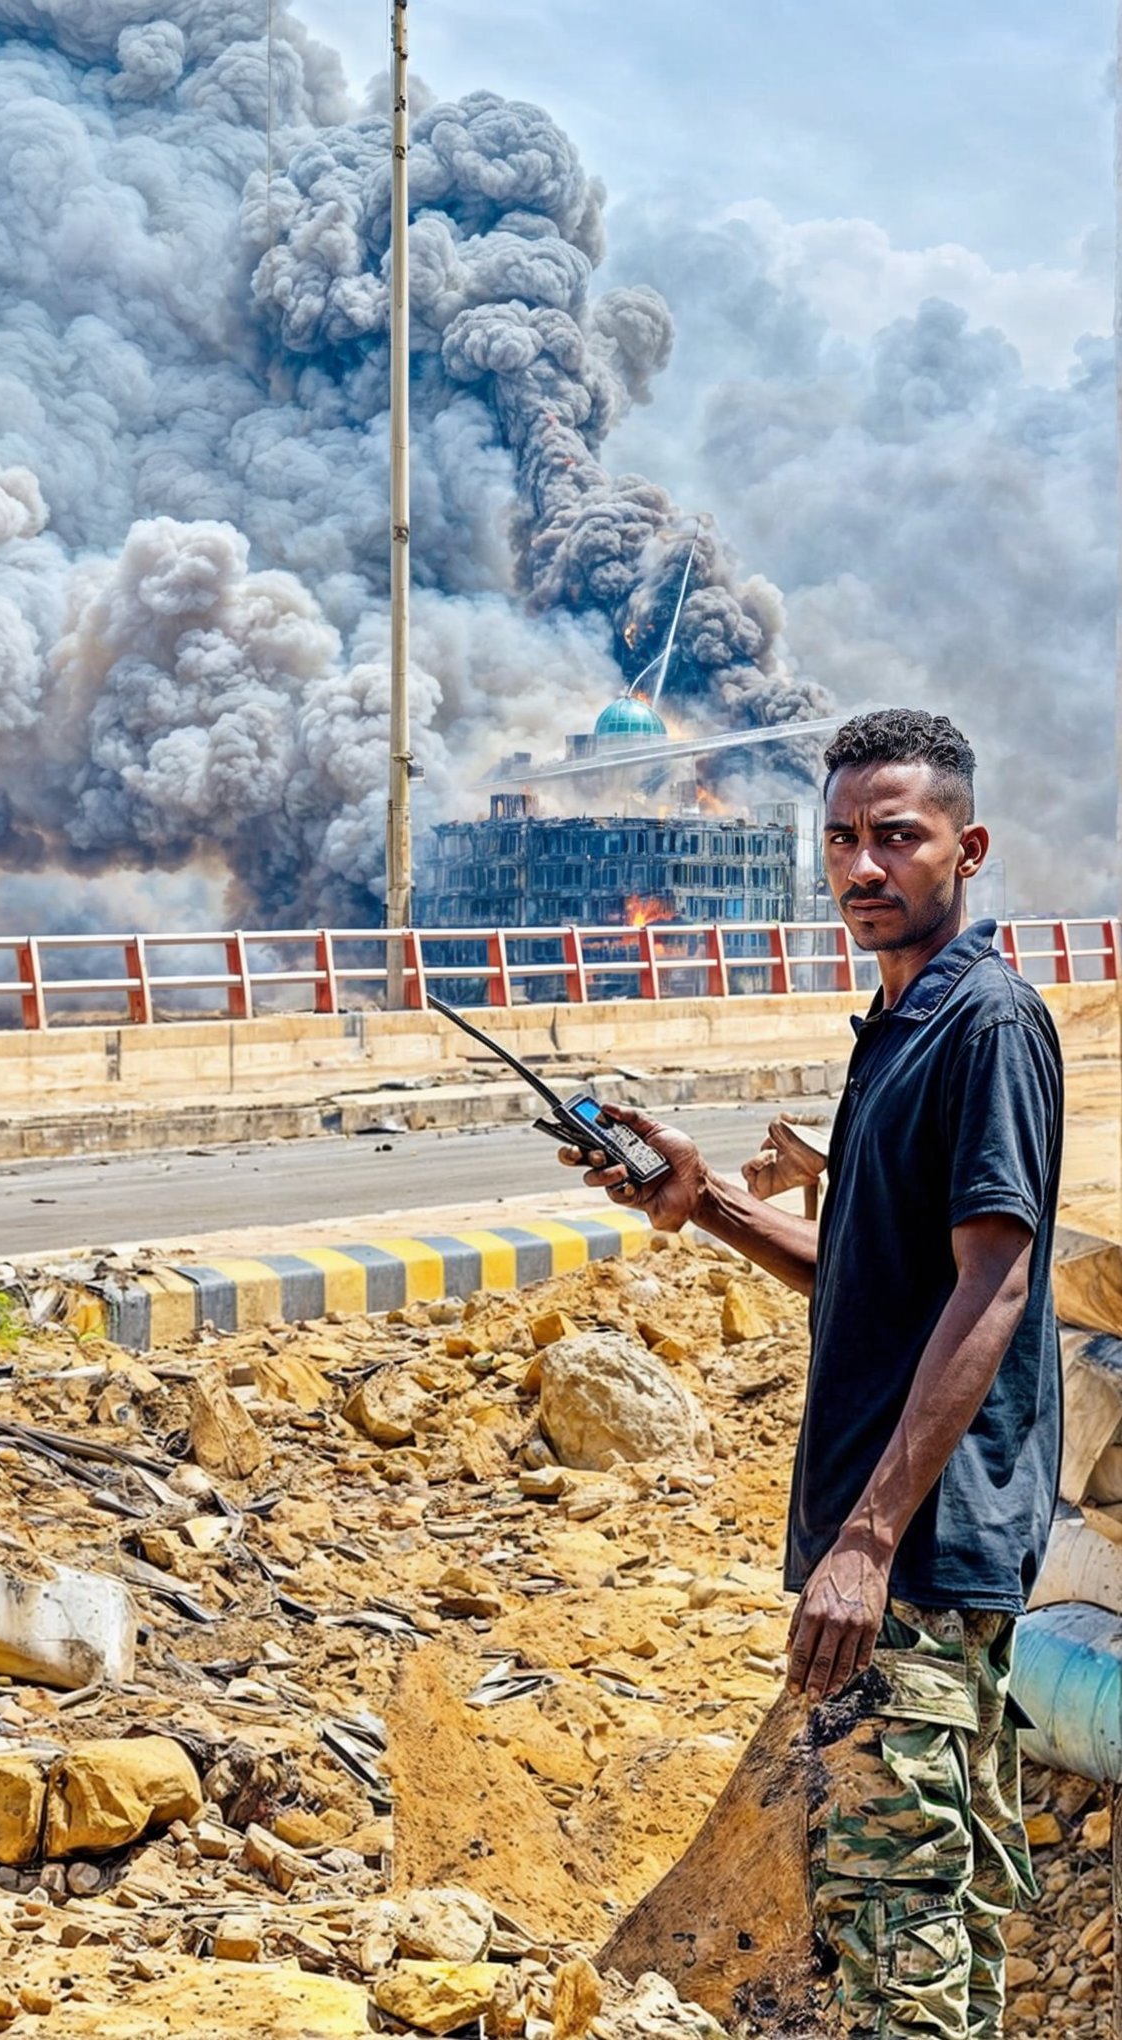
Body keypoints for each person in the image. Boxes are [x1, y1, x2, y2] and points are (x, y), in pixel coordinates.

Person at [564, 708, 1062, 2039]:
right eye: (840, 838)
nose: (861, 867)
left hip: (916, 1557)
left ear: (969, 846)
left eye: (896, 837)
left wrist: (868, 1537)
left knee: (896, 1927)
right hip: (897, 1561)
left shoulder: (985, 1022)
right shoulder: (896, 1027)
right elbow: (871, 1281)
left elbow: (996, 1283)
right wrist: (705, 1200)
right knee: (932, 1918)